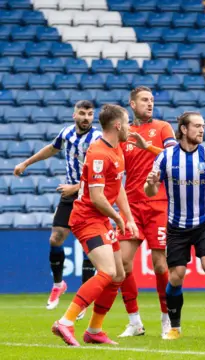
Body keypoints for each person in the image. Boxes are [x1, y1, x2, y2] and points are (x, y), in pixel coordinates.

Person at [144, 112, 205, 340]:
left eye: (203, 126)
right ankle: (174, 327)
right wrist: (150, 185)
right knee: (176, 276)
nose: (201, 130)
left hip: (204, 222)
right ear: (184, 129)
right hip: (176, 226)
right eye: (197, 126)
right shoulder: (165, 158)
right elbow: (151, 191)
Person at [51, 104, 139, 347]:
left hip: (100, 218)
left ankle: (94, 330)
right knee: (108, 272)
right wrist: (118, 218)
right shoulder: (98, 152)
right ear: (118, 126)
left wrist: (128, 216)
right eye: (128, 123)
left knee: (119, 274)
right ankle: (66, 322)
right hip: (87, 218)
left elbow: (117, 186)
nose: (130, 128)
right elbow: (98, 197)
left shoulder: (118, 149)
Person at [13, 100, 101, 318]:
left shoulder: (98, 139)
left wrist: (76, 187)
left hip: (92, 194)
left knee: (90, 247)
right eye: (82, 113)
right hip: (70, 196)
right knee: (56, 238)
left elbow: (104, 175)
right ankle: (58, 284)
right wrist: (26, 163)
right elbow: (51, 149)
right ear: (74, 115)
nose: (86, 117)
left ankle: (83, 300)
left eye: (90, 114)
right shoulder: (67, 133)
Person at [117, 86, 178, 338]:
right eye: (144, 100)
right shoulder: (124, 134)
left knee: (159, 263)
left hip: (159, 204)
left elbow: (177, 157)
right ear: (132, 104)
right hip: (131, 207)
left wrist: (148, 147)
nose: (149, 104)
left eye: (152, 100)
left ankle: (167, 318)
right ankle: (135, 322)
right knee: (122, 263)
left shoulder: (163, 128)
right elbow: (116, 170)